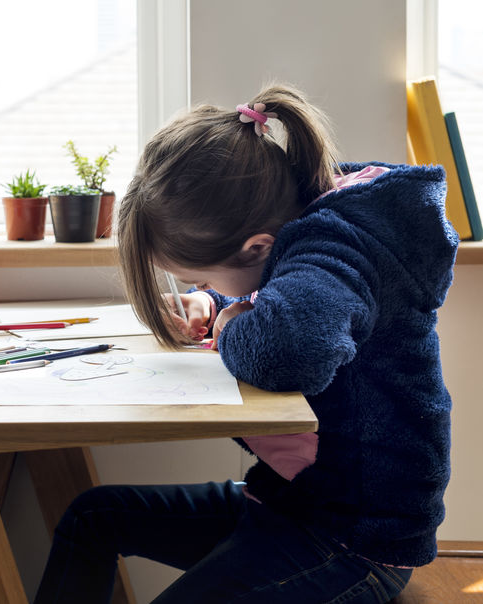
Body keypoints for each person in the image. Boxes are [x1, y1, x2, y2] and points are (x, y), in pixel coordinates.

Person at [33, 84, 458, 603]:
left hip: (356, 537)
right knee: (92, 518)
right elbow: (265, 284)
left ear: (257, 244)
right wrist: (209, 300)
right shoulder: (299, 229)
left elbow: (292, 350)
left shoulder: (339, 247)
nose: (194, 284)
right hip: (293, 503)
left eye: (195, 274)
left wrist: (231, 326)